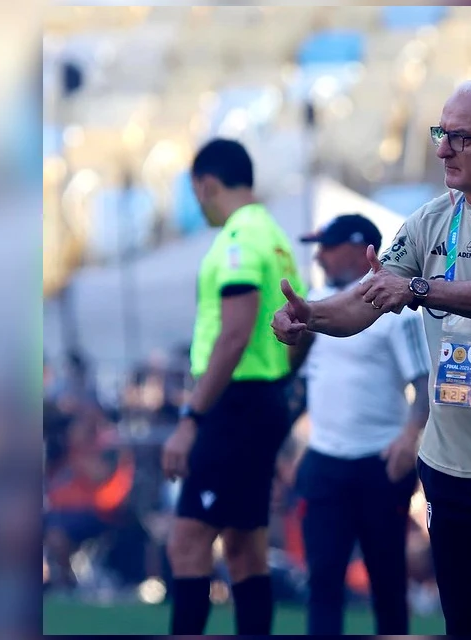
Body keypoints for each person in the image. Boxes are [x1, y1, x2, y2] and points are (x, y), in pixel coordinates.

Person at [272, 78, 471, 635]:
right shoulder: (429, 220)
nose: (442, 148)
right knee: (466, 625)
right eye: (441, 133)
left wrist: (418, 289)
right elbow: (368, 301)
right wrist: (312, 316)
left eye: (459, 138)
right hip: (450, 464)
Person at [161, 138, 305, 635]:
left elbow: (235, 334)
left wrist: (190, 419)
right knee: (245, 550)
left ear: (206, 185)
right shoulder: (277, 238)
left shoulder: (240, 239)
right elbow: (300, 328)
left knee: (188, 542)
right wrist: (282, 388)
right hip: (261, 399)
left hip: (231, 403)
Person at [287, 213, 432, 635]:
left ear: (354, 248)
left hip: (379, 463)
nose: (319, 256)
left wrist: (410, 435)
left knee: (387, 582)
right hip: (325, 461)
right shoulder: (315, 304)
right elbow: (302, 381)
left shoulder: (394, 309)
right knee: (322, 582)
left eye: (327, 247)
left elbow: (422, 381)